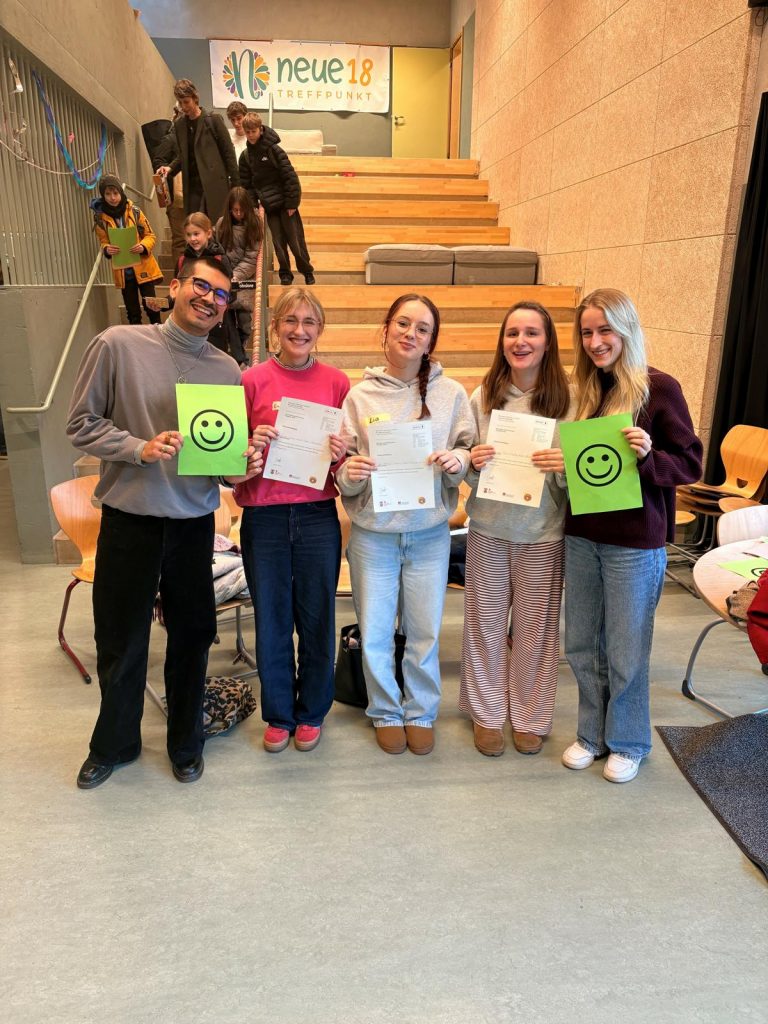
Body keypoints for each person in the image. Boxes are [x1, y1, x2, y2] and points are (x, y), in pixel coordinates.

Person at [66, 254, 262, 789]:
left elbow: (218, 462)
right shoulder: (117, 344)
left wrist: (239, 467)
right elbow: (80, 424)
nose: (209, 299)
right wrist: (137, 447)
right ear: (175, 286)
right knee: (121, 638)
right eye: (201, 285)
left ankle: (185, 742)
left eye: (220, 294)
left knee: (193, 636)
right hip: (130, 520)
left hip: (194, 524)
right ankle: (114, 744)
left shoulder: (226, 371)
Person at [559, 288, 703, 783]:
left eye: (605, 330)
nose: (596, 341)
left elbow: (690, 463)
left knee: (626, 649)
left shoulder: (659, 388)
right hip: (582, 536)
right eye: (587, 332)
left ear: (627, 330)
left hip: (634, 544)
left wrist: (648, 456)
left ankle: (628, 741)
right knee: (582, 644)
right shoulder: (584, 391)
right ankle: (590, 735)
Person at [336, 294, 475, 755]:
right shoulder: (359, 396)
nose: (410, 334)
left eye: (422, 328)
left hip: (429, 534)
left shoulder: (450, 394)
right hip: (373, 536)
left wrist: (457, 461)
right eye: (402, 323)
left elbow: (467, 451)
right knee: (375, 631)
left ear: (431, 340)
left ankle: (420, 710)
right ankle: (384, 710)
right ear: (386, 328)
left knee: (424, 632)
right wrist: (350, 473)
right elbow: (342, 468)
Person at [235, 287, 349, 753]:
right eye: (290, 320)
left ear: (320, 329)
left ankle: (313, 711)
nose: (299, 330)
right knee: (272, 617)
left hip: (318, 516)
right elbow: (231, 456)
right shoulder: (250, 381)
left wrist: (342, 454)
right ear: (275, 326)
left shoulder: (338, 383)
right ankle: (280, 713)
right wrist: (251, 445)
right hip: (263, 516)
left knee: (318, 616)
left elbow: (347, 465)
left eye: (309, 322)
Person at [459, 302, 574, 757]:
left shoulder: (570, 402)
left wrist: (562, 469)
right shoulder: (482, 396)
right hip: (488, 529)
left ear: (548, 342)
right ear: (501, 341)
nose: (520, 342)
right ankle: (487, 713)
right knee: (483, 627)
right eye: (512, 333)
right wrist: (473, 464)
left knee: (536, 632)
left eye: (531, 333)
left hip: (543, 533)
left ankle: (529, 715)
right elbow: (466, 470)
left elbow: (578, 480)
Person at [238, 113, 315, 287]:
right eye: (247, 132)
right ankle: (285, 274)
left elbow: (290, 177)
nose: (251, 135)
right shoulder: (245, 157)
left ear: (260, 129)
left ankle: (307, 271)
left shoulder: (275, 150)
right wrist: (254, 206)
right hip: (268, 207)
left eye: (253, 131)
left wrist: (292, 203)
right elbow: (246, 185)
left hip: (286, 205)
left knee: (296, 242)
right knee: (278, 244)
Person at [158, 79, 239, 224]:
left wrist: (237, 189)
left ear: (195, 98)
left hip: (215, 185)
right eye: (180, 103)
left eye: (186, 102)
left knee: (218, 228)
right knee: (195, 227)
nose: (183, 107)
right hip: (192, 188)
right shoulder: (179, 125)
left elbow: (229, 154)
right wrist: (170, 168)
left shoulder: (214, 120)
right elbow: (183, 155)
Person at [91, 174, 163, 326]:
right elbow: (103, 241)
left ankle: (158, 335)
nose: (112, 198)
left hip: (143, 267)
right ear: (103, 195)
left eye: (115, 193)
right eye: (108, 194)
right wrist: (107, 249)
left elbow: (150, 235)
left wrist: (143, 246)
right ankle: (135, 339)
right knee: (132, 312)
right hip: (124, 273)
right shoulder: (100, 219)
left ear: (121, 192)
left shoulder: (135, 211)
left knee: (152, 307)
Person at [176, 212, 246, 368]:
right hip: (189, 321)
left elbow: (229, 291)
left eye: (196, 234)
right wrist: (164, 303)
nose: (193, 239)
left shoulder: (220, 259)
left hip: (214, 319)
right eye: (188, 235)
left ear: (208, 233)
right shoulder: (182, 260)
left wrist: (218, 304)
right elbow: (178, 289)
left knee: (214, 360)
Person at [214, 187, 262, 361]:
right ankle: (235, 357)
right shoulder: (221, 224)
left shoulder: (255, 225)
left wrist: (235, 275)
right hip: (224, 278)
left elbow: (251, 257)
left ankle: (241, 355)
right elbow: (217, 250)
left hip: (243, 281)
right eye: (235, 210)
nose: (239, 214)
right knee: (226, 321)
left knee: (244, 322)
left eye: (242, 210)